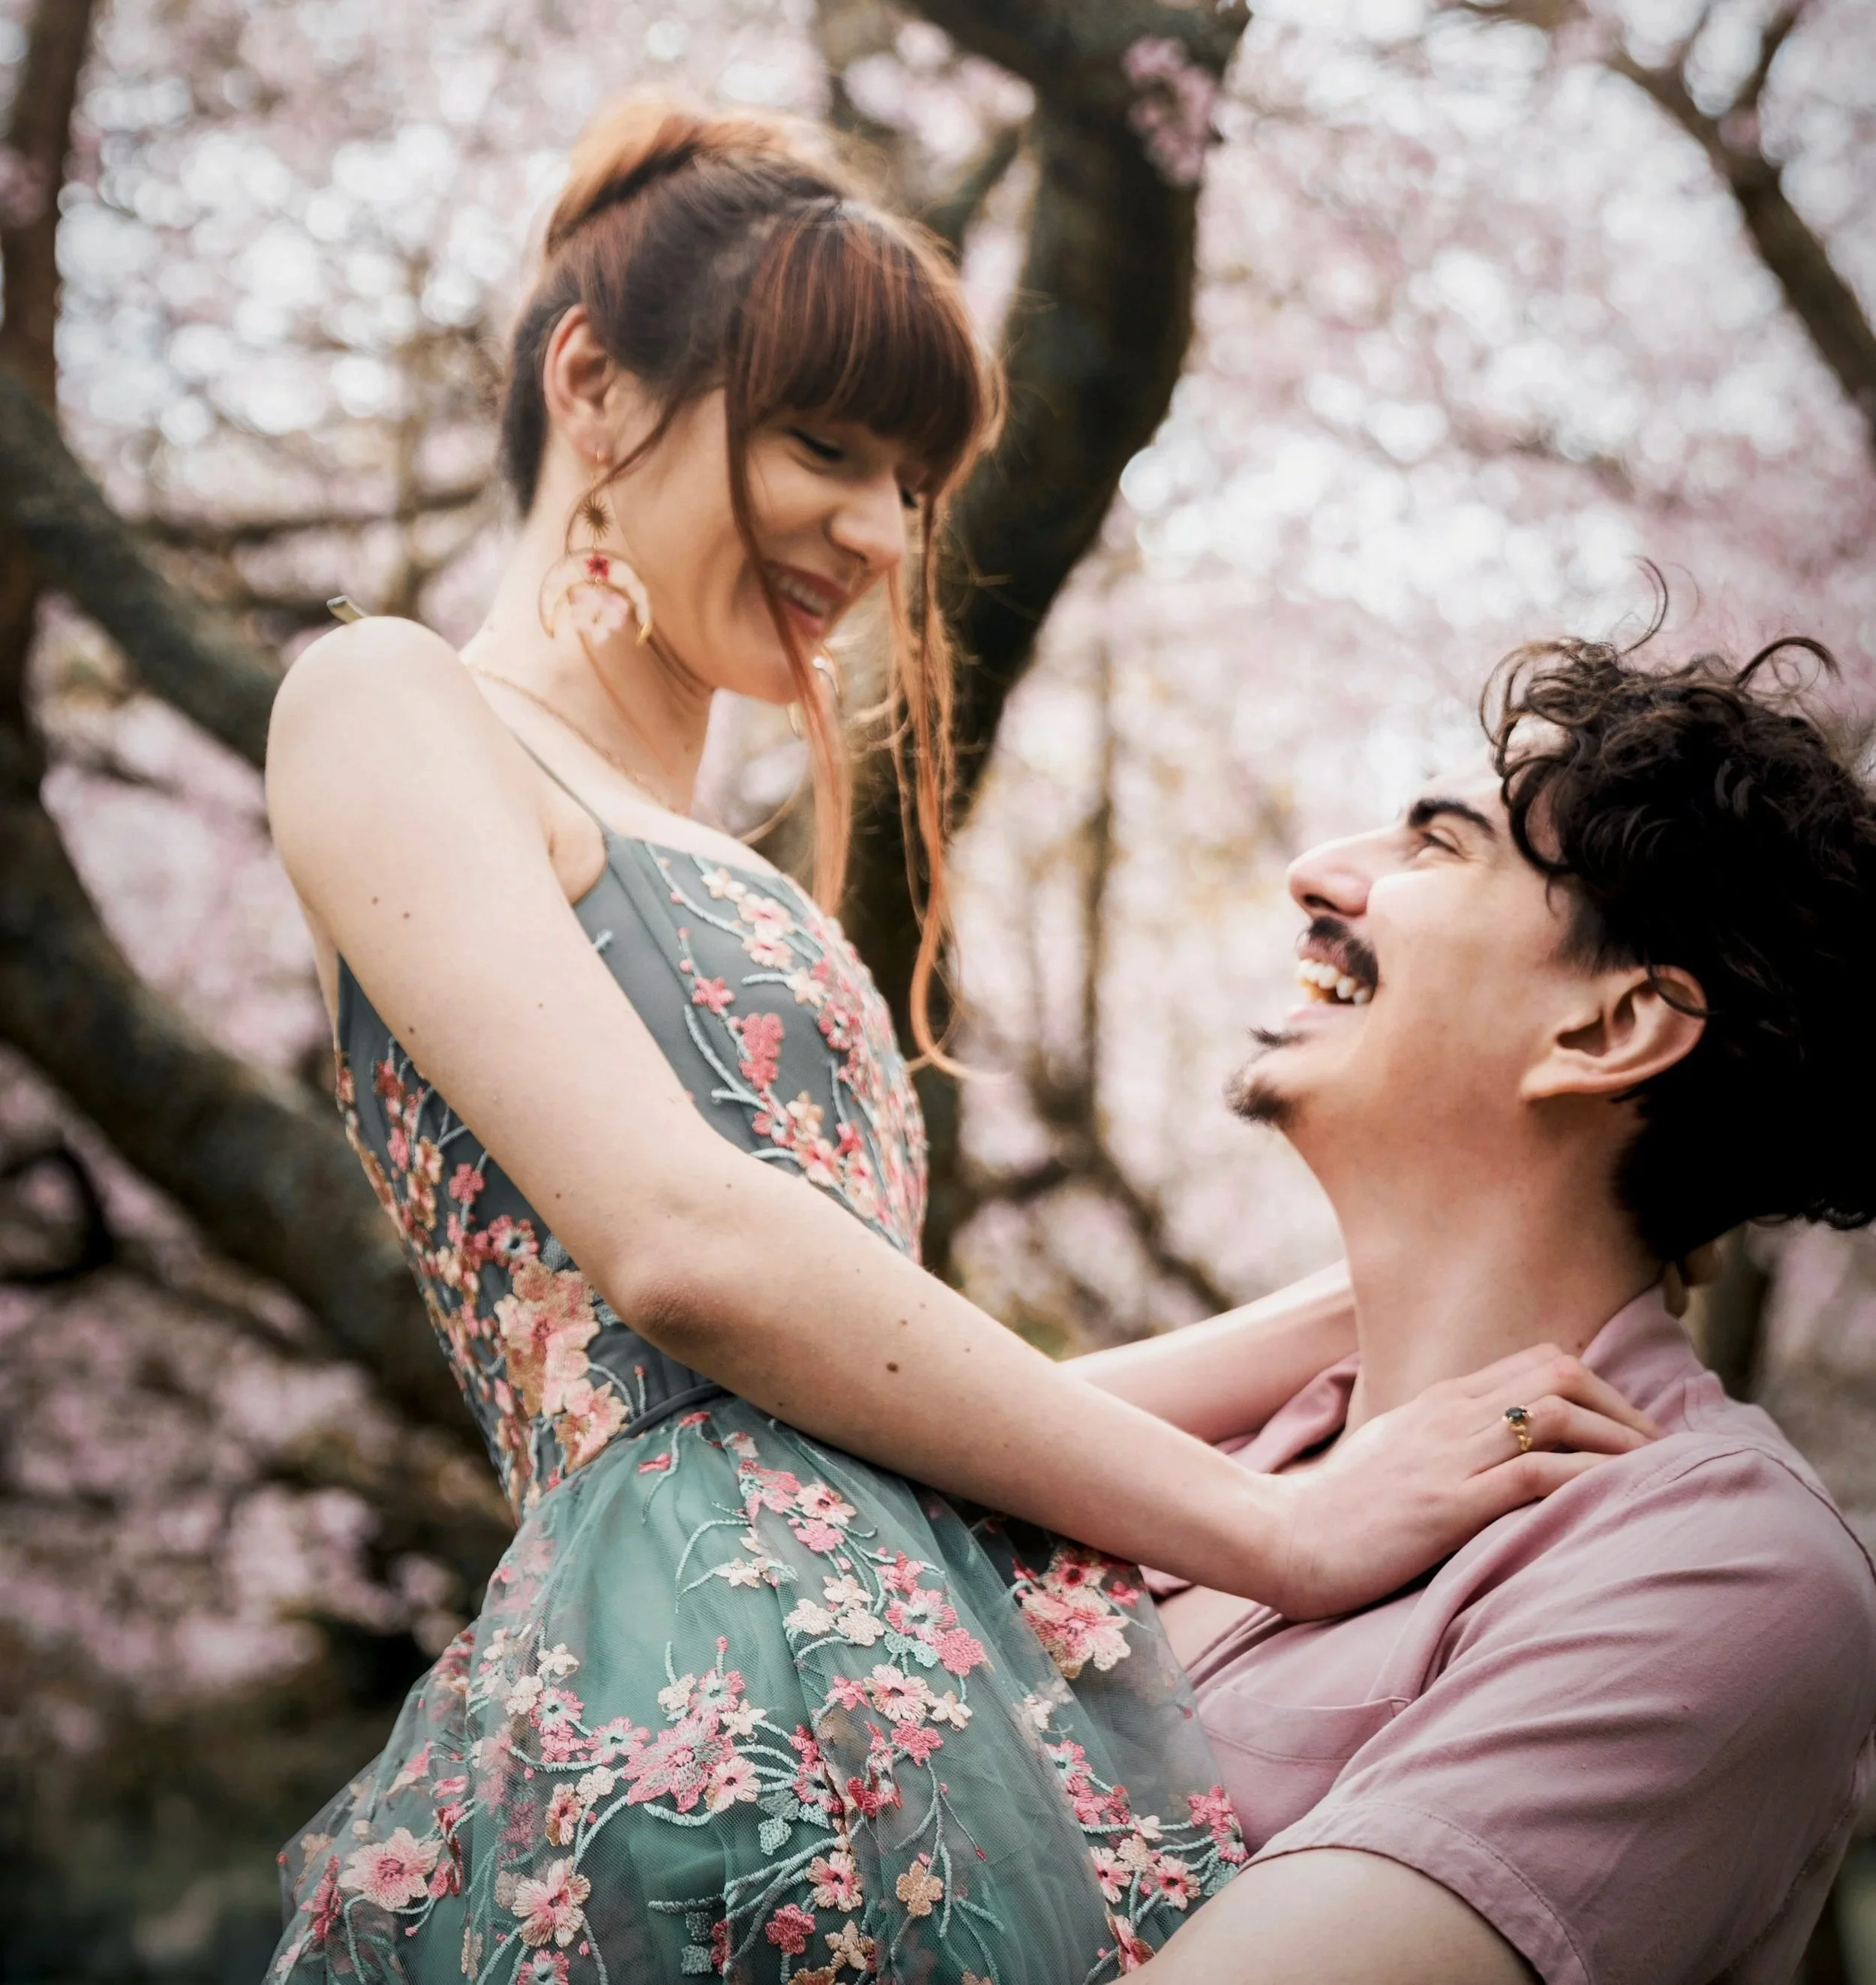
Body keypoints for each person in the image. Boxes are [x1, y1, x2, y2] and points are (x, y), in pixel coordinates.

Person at [263, 95, 1651, 1984]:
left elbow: (889, 1378)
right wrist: (1283, 1527)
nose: (880, 534)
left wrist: (1410, 1302)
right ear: (591, 384)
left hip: (924, 1679)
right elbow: (692, 1256)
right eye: (823, 446)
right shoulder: (384, 699)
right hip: (710, 1708)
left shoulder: (692, 835)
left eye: (910, 482)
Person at [1138, 630, 1876, 1985]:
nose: (1320, 871)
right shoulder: (1245, 1439)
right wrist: (1323, 1328)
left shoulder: (1720, 1569)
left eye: (1437, 847)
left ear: (1607, 1031)